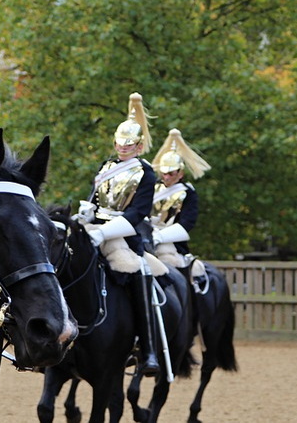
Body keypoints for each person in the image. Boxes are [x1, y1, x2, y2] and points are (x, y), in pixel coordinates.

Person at [75, 92, 160, 377]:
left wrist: (103, 233)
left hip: (122, 235)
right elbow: (95, 201)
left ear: (138, 146)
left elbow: (137, 215)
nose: (123, 148)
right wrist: (85, 213)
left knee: (139, 271)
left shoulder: (146, 173)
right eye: (120, 144)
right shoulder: (106, 168)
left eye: (129, 145)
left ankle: (147, 349)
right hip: (95, 227)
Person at [149, 128, 211, 269]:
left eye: (171, 173)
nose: (166, 177)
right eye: (164, 173)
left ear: (180, 173)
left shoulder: (188, 193)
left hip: (171, 242)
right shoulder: (152, 187)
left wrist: (160, 237)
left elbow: (187, 223)